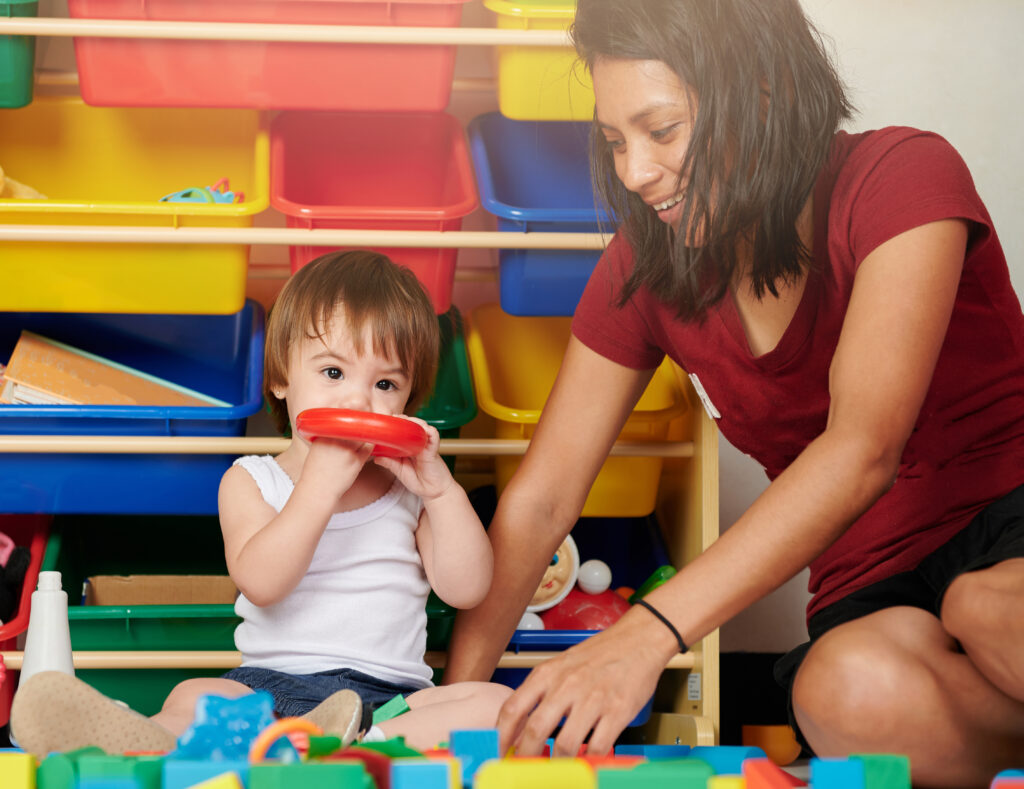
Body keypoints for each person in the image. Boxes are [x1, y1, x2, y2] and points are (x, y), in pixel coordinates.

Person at [442, 0, 1024, 785]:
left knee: (988, 610)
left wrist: (646, 634)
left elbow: (862, 450)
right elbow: (543, 500)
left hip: (1005, 519)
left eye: (662, 130)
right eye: (615, 141)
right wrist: (457, 701)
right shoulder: (646, 266)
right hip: (871, 580)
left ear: (761, 92)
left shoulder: (903, 175)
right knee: (838, 690)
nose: (634, 173)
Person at [11, 250, 511, 757]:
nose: (359, 401)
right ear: (280, 379)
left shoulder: (411, 489)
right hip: (265, 694)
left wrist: (441, 491)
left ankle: (362, 744)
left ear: (407, 404)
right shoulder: (253, 480)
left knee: (494, 704)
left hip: (389, 703)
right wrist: (317, 489)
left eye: (385, 384)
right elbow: (263, 584)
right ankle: (141, 740)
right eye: (334, 373)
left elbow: (467, 588)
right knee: (195, 695)